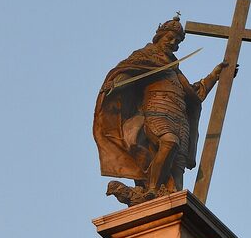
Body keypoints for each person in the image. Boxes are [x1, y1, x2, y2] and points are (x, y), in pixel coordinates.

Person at [93, 14, 230, 204]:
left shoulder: (175, 69)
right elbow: (128, 72)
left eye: (178, 41)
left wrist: (215, 75)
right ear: (160, 37)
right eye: (170, 38)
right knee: (169, 142)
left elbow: (194, 95)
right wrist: (116, 84)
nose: (174, 43)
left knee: (177, 167)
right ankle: (152, 189)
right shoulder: (146, 56)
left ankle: (173, 201)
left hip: (179, 117)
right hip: (156, 111)